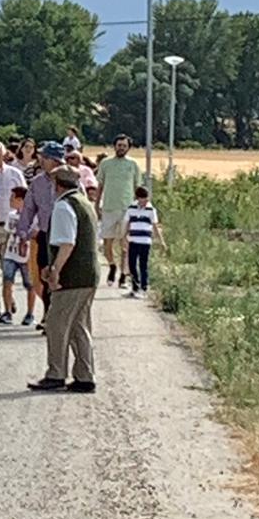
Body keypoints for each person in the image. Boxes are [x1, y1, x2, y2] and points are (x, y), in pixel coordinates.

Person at [28, 166, 100, 393]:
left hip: (72, 276)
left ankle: (56, 373)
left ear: (56, 185)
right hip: (88, 274)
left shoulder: (63, 206)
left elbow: (66, 243)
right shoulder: (85, 203)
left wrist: (54, 270)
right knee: (79, 326)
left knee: (57, 324)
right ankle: (84, 375)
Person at [17, 142, 65, 316]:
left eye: (45, 158)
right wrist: (23, 234)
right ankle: (47, 313)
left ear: (55, 160)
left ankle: (60, 314)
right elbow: (28, 210)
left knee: (63, 276)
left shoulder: (70, 181)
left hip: (65, 237)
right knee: (44, 275)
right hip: (45, 235)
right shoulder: (37, 183)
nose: (41, 160)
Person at [0, 141, 28, 315]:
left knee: (8, 268)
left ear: (4, 155)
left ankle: (9, 301)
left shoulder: (15, 174)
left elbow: (25, 200)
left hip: (10, 227)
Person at [95, 135, 141, 288]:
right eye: (119, 145)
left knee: (125, 243)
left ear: (128, 147)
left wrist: (139, 207)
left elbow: (137, 187)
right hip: (108, 207)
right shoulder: (106, 164)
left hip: (126, 209)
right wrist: (96, 204)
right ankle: (112, 266)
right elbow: (100, 185)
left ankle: (123, 274)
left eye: (124, 145)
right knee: (107, 242)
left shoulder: (133, 164)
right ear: (114, 146)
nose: (121, 148)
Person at [0, 184, 35, 326]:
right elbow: (8, 232)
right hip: (11, 252)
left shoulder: (32, 216)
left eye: (13, 198)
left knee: (30, 284)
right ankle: (7, 311)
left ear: (21, 200)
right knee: (7, 281)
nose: (10, 200)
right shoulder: (11, 215)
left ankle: (30, 313)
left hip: (25, 254)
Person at [123, 185, 166, 298]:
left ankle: (144, 287)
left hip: (145, 241)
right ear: (138, 198)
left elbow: (155, 226)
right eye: (142, 198)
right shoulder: (131, 208)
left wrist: (161, 241)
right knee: (132, 264)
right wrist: (124, 237)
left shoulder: (151, 210)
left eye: (146, 198)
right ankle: (135, 287)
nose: (145, 200)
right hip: (133, 240)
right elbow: (127, 224)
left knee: (143, 265)